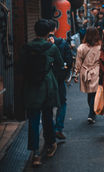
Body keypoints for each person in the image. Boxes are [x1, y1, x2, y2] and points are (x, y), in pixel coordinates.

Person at [18, 19, 64, 167]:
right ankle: (50, 143)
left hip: (31, 87)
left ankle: (35, 154)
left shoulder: (26, 47)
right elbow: (60, 64)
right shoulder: (51, 47)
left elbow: (20, 67)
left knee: (33, 120)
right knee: (47, 116)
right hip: (47, 86)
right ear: (47, 32)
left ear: (36, 31)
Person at [48, 19, 73, 140]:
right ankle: (58, 128)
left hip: (45, 79)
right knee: (62, 103)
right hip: (59, 78)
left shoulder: (41, 44)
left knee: (47, 105)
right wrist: (65, 74)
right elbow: (69, 61)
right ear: (55, 29)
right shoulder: (62, 43)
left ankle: (50, 131)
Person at [74, 27, 101, 124]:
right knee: (93, 93)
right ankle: (92, 113)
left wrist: (76, 74)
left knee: (90, 93)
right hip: (96, 72)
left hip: (85, 72)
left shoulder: (81, 47)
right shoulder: (100, 48)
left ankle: (91, 112)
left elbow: (78, 62)